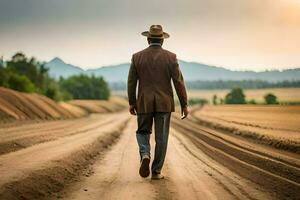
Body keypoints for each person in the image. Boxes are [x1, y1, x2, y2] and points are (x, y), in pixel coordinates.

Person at [127, 25, 188, 180]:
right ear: (162, 40)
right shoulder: (171, 57)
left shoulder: (137, 57)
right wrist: (184, 104)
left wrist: (132, 102)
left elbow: (131, 82)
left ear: (148, 39)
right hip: (164, 103)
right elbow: (178, 82)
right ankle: (156, 171)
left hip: (144, 103)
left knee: (142, 132)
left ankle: (145, 154)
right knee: (161, 138)